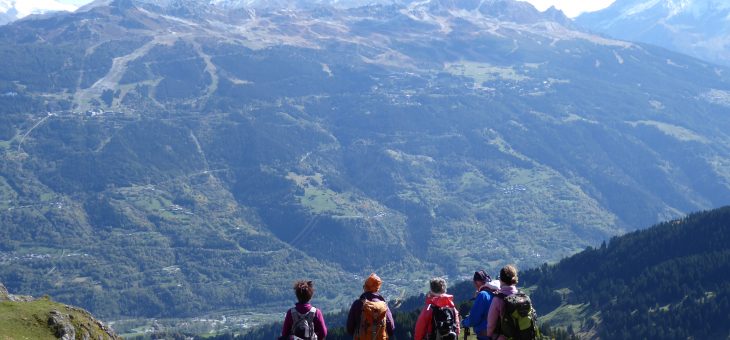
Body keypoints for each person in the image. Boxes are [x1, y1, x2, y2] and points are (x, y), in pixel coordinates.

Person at [346, 273, 395, 339]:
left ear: (365, 288)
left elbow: (350, 329)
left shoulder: (357, 304)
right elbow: (391, 329)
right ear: (377, 289)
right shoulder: (384, 305)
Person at [461, 270, 499, 340]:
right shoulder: (497, 292)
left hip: (486, 336)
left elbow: (473, 319)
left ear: (476, 282)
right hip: (499, 334)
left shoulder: (483, 295)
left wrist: (463, 322)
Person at [486, 265, 520, 340]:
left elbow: (491, 324)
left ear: (501, 279)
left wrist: (488, 336)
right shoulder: (521, 296)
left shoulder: (498, 299)